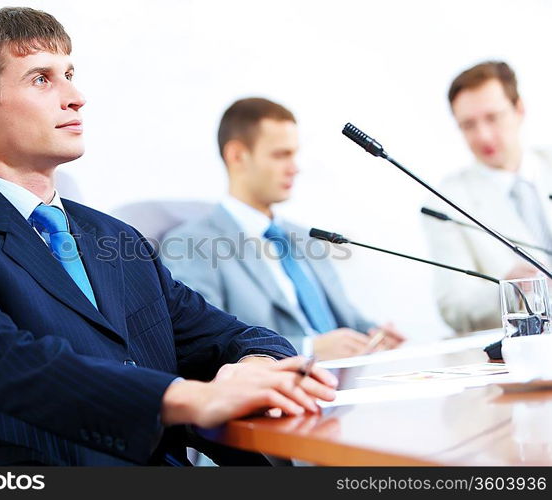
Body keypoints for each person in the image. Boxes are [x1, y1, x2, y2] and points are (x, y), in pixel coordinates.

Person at [0, 8, 338, 466]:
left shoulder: (113, 236)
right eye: (41, 78)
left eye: (70, 73)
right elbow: (3, 363)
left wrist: (254, 367)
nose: (75, 97)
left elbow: (234, 334)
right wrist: (188, 397)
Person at [161, 98, 404, 360]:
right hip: (286, 386)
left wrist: (372, 334)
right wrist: (309, 349)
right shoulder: (190, 244)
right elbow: (204, 342)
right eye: (280, 155)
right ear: (237, 156)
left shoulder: (304, 236)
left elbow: (345, 319)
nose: (295, 168)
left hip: (350, 376)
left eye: (294, 154)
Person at [423, 61, 552, 334]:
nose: (483, 136)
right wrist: (508, 290)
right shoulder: (446, 201)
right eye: (468, 125)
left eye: (493, 118)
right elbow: (455, 309)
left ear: (519, 110)